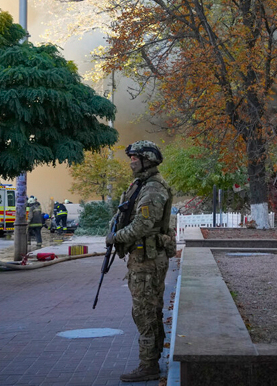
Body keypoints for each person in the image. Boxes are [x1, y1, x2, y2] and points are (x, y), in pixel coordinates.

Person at [105, 140, 176, 383]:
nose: (131, 161)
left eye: (135, 157)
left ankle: (148, 365)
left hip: (148, 260)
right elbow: (124, 213)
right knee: (148, 311)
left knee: (144, 312)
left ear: (147, 160)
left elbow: (143, 224)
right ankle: (152, 359)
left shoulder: (153, 188)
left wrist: (116, 237)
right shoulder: (140, 185)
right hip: (142, 259)